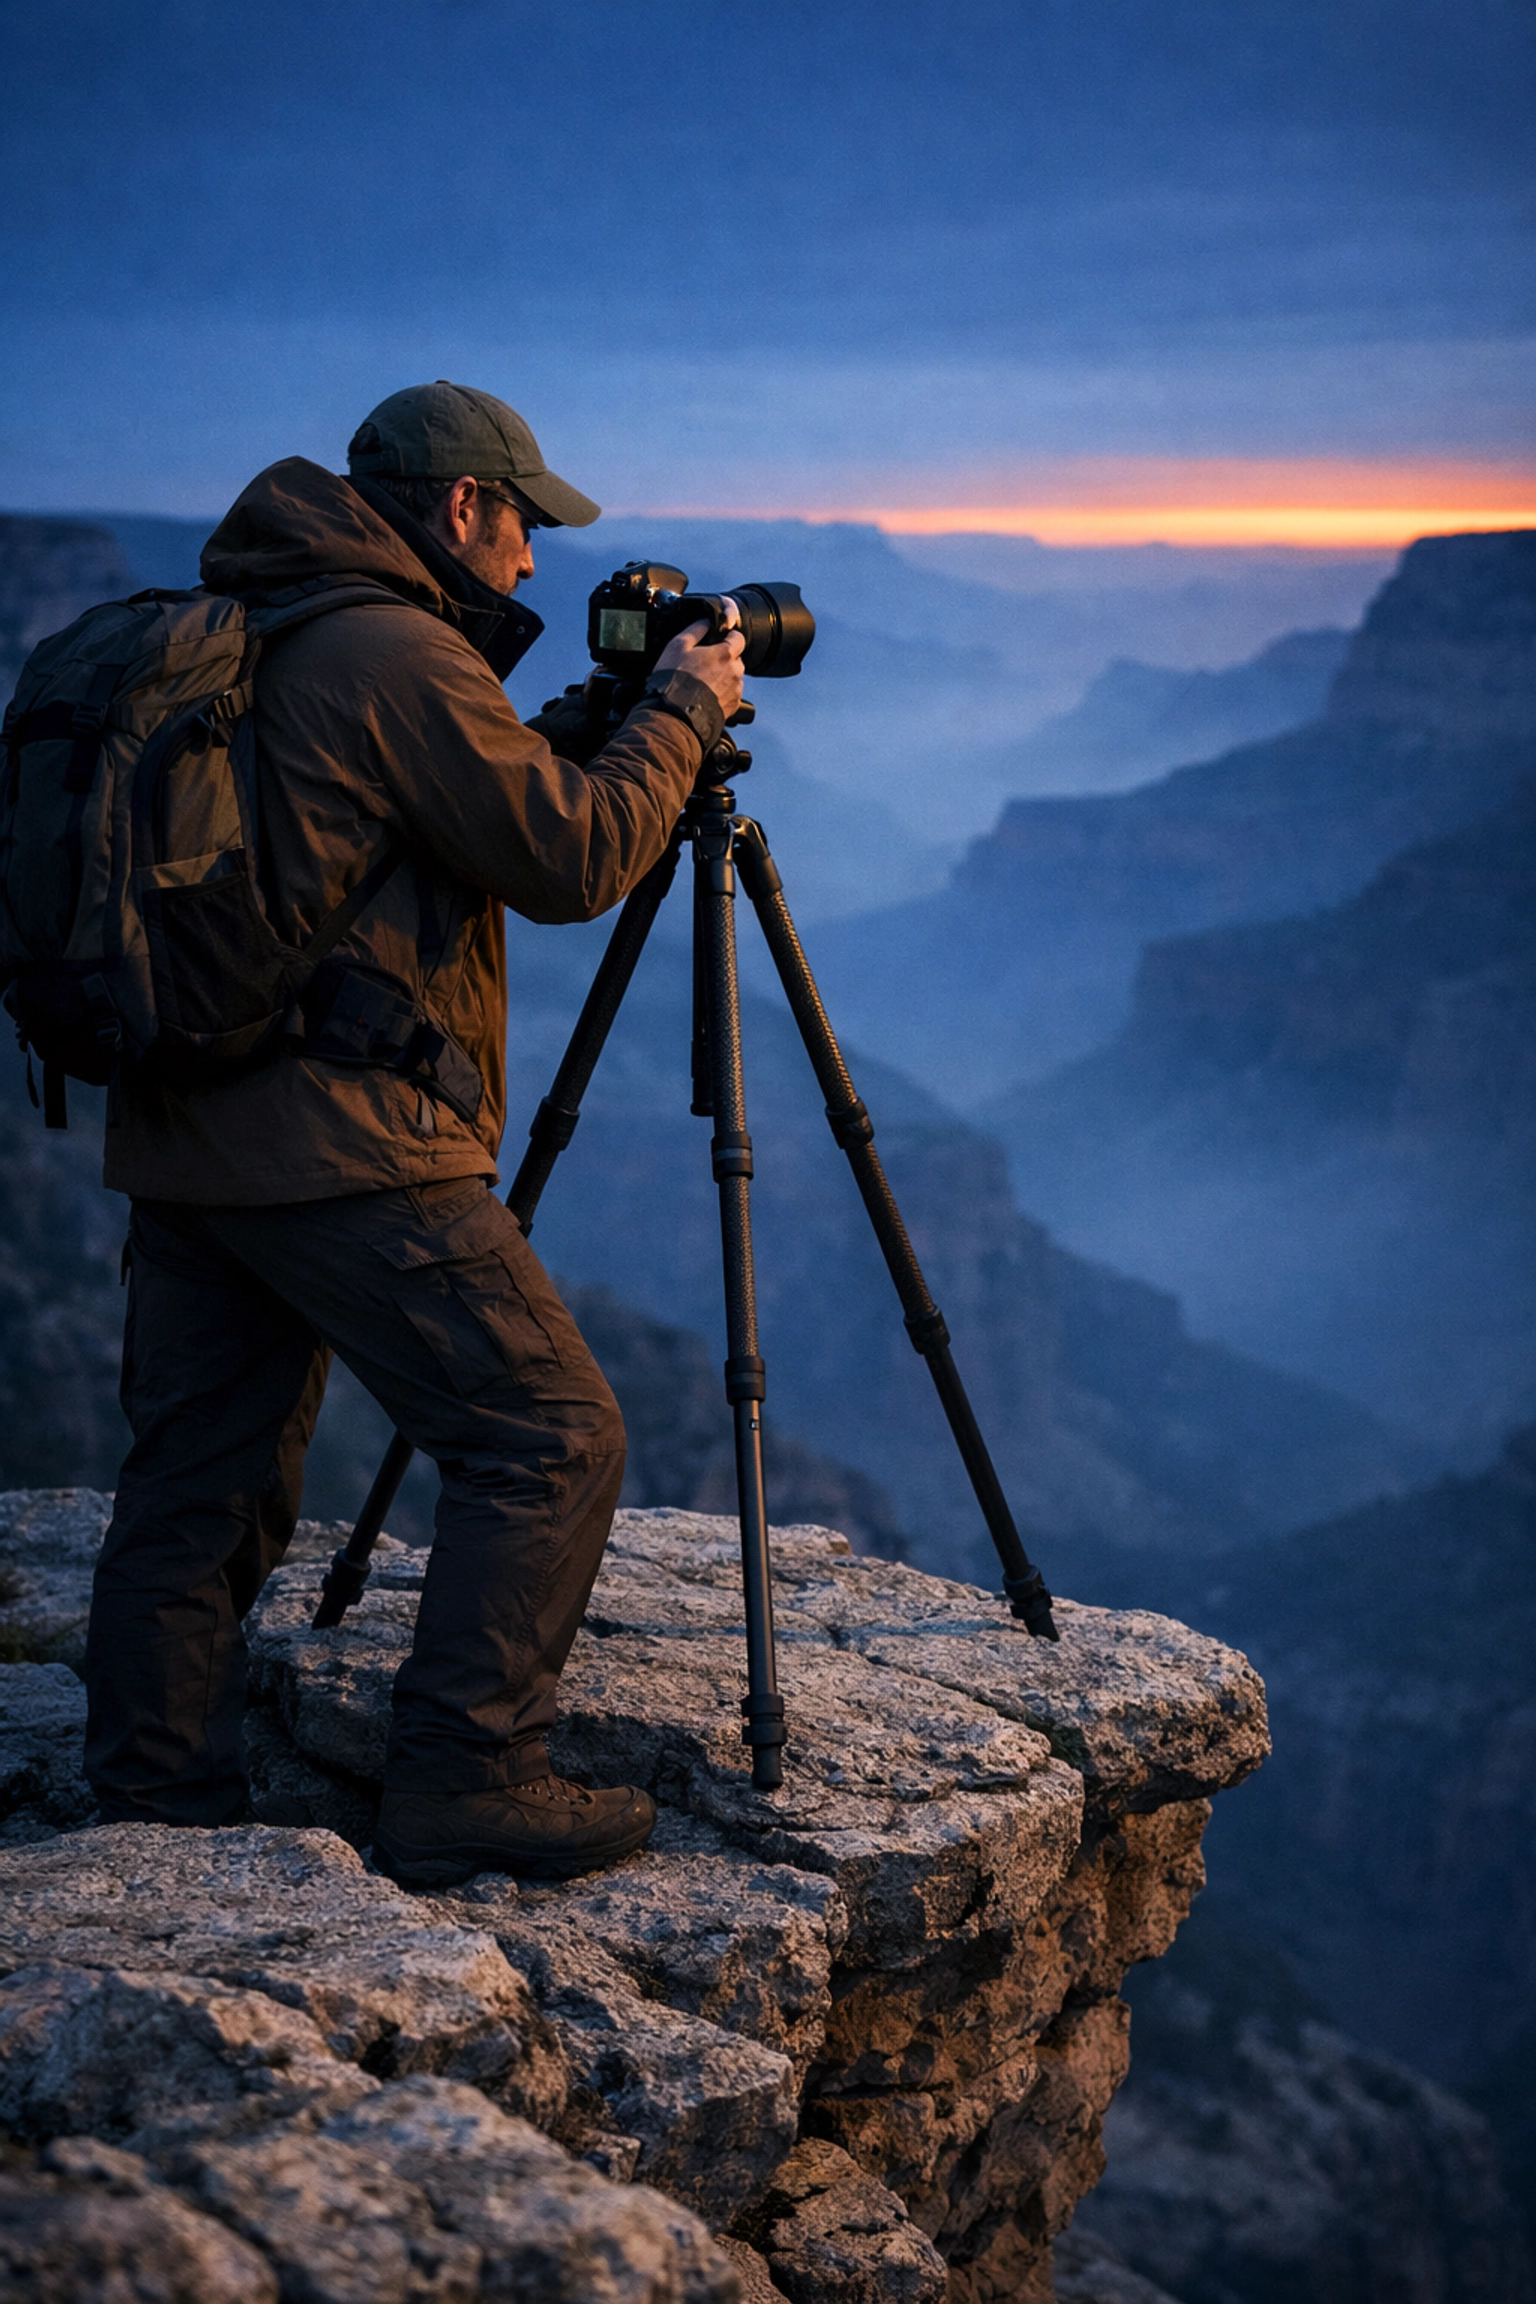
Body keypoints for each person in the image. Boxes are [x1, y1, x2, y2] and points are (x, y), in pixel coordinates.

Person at [82, 379, 745, 1886]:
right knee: (547, 1436)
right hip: (345, 1144)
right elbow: (569, 853)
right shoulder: (395, 649)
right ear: (460, 507)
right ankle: (470, 1774)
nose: (528, 565)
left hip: (189, 1135)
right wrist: (685, 714)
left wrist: (599, 722)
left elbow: (437, 799)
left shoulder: (274, 619)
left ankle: (145, 1804)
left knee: (200, 1479)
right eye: (522, 528)